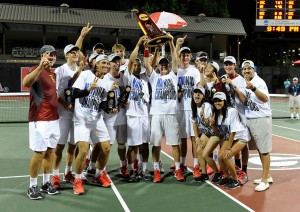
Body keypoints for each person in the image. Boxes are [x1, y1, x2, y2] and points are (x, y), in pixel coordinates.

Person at [144, 34, 185, 183]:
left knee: (175, 143)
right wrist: (148, 47)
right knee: (155, 144)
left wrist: (171, 43)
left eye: (165, 64)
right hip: (156, 114)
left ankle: (178, 170)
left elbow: (175, 59)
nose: (163, 66)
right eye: (161, 64)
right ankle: (156, 170)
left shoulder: (173, 76)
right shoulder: (154, 77)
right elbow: (147, 64)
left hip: (171, 114)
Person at [23, 45, 60, 200]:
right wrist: (39, 67)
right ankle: (32, 186)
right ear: (41, 55)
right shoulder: (35, 69)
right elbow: (26, 83)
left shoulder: (53, 74)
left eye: (53, 55)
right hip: (39, 119)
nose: (51, 57)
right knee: (39, 153)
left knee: (51, 152)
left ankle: (46, 183)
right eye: (48, 54)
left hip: (54, 118)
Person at [72, 54, 112, 195]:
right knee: (83, 151)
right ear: (96, 64)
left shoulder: (107, 81)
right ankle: (77, 180)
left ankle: (98, 175)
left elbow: (101, 103)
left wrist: (109, 107)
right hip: (82, 119)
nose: (106, 65)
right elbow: (74, 93)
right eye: (103, 63)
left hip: (97, 119)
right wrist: (88, 90)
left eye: (108, 63)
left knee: (106, 148)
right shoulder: (85, 75)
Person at [237, 60, 273, 192]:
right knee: (259, 149)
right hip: (251, 118)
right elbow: (246, 100)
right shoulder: (245, 82)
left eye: (249, 69)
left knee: (264, 150)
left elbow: (264, 98)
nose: (246, 71)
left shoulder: (259, 82)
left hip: (261, 119)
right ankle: (267, 176)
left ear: (254, 69)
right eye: (244, 69)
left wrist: (253, 88)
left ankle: (265, 181)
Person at [124, 35, 152, 180]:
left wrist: (147, 47)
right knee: (133, 146)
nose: (136, 66)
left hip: (144, 116)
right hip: (132, 115)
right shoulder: (128, 77)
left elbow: (148, 63)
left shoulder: (144, 80)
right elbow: (129, 62)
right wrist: (138, 44)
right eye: (134, 64)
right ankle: (131, 170)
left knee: (145, 145)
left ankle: (143, 169)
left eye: (138, 65)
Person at [210, 92, 250, 189]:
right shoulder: (215, 114)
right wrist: (212, 125)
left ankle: (235, 180)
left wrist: (228, 148)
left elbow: (233, 131)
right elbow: (219, 133)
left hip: (241, 137)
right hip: (229, 137)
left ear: (224, 101)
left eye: (219, 100)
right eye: (215, 101)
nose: (217, 103)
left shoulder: (231, 111)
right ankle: (227, 176)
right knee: (220, 157)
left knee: (226, 157)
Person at [222, 56, 249, 184]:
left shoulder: (241, 80)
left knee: (243, 145)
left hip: (241, 117)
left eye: (230, 64)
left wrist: (232, 86)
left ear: (235, 66)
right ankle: (237, 168)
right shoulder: (223, 79)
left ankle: (244, 170)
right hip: (230, 118)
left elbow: (244, 99)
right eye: (226, 64)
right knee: (234, 143)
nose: (228, 67)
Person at [176, 44, 201, 174]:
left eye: (187, 55)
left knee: (194, 138)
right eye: (183, 55)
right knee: (182, 139)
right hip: (180, 109)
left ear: (190, 57)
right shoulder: (177, 71)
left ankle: (196, 165)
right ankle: (183, 163)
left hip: (192, 109)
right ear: (180, 57)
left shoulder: (194, 71)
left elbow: (198, 88)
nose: (185, 57)